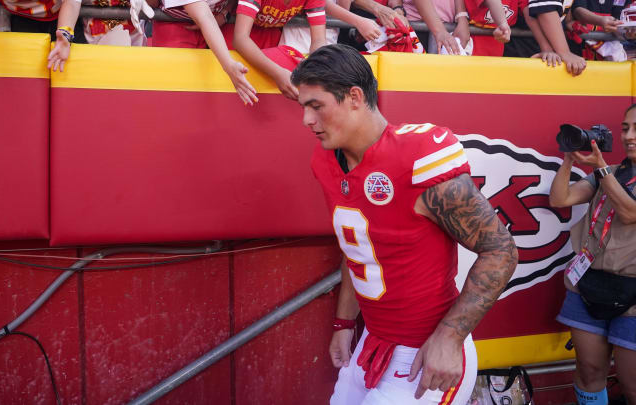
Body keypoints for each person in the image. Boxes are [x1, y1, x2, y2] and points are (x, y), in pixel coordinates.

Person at [290, 44, 518, 404]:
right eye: (303, 107)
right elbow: (358, 246)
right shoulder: (326, 162)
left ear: (354, 97)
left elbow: (500, 249)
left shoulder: (417, 157)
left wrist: (450, 336)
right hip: (373, 341)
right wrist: (344, 323)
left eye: (316, 106)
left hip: (425, 351)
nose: (306, 120)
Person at [549, 104, 636, 405]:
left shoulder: (604, 172)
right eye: (625, 128)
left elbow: (628, 212)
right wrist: (568, 159)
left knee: (632, 384)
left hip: (633, 294)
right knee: (588, 370)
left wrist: (599, 168)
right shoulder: (609, 173)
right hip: (587, 284)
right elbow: (560, 198)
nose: (629, 136)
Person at [230, 0, 327, 100]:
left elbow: (319, 40)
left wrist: (316, 67)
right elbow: (239, 39)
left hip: (270, 39)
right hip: (232, 38)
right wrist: (277, 73)